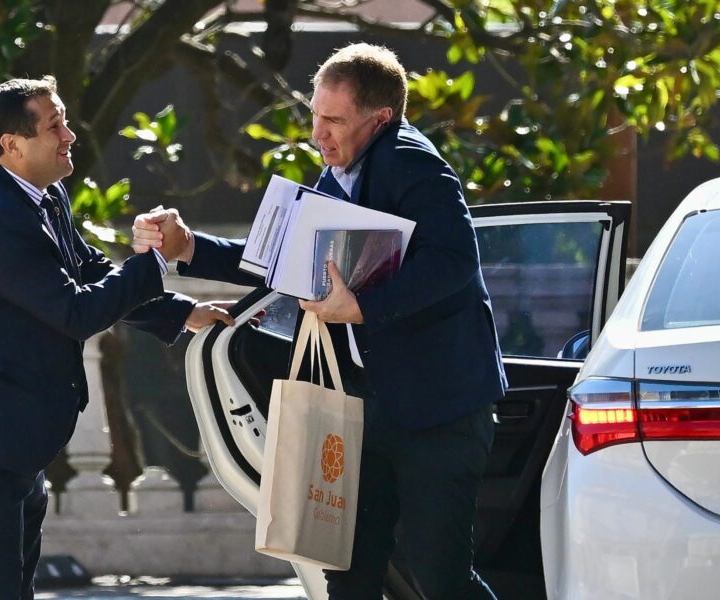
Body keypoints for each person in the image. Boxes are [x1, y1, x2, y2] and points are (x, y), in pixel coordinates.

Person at [132, 44, 507, 599]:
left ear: (380, 119)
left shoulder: (412, 161)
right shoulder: (341, 171)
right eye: (315, 115)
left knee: (441, 578)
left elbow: (455, 261)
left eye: (333, 120)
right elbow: (278, 260)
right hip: (365, 406)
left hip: (438, 410)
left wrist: (362, 308)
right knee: (349, 573)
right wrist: (188, 247)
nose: (318, 133)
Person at [0, 76, 233, 600]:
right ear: (13, 145)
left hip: (8, 428)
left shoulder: (40, 190)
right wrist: (155, 261)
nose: (70, 135)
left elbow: (90, 269)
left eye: (65, 121)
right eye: (54, 126)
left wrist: (181, 312)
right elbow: (76, 311)